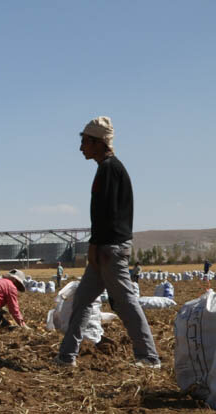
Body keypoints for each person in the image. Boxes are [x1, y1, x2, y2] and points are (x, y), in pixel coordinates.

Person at [55, 117, 161, 368]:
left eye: (84, 142)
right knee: (81, 301)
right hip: (105, 247)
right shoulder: (107, 168)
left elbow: (107, 212)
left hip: (108, 249)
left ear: (98, 142)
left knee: (125, 301)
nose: (81, 148)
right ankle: (66, 357)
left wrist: (96, 245)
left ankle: (148, 357)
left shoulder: (110, 169)